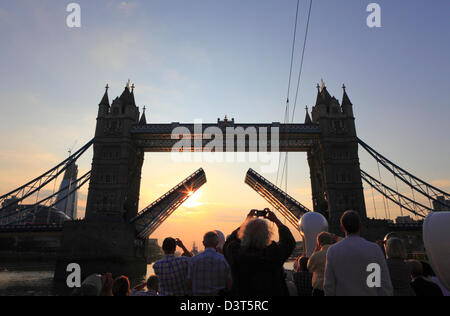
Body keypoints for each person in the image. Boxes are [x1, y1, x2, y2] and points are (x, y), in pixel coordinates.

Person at [223, 209, 296, 296]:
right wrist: (276, 221)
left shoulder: (237, 254)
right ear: (267, 235)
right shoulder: (274, 253)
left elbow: (229, 242)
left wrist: (246, 221)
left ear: (243, 234)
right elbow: (288, 242)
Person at [324, 210, 393, 296]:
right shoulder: (374, 249)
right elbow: (384, 284)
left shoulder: (332, 251)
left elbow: (329, 286)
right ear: (361, 226)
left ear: (342, 227)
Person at [187, 231, 232, 296]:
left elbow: (189, 282)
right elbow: (229, 284)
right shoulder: (223, 260)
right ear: (216, 243)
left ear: (203, 243)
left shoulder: (194, 260)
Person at [308, 232, 336, 296]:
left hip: (319, 289)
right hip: (334, 289)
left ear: (318, 242)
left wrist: (316, 250)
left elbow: (309, 267)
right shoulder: (338, 252)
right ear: (331, 241)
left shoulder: (316, 255)